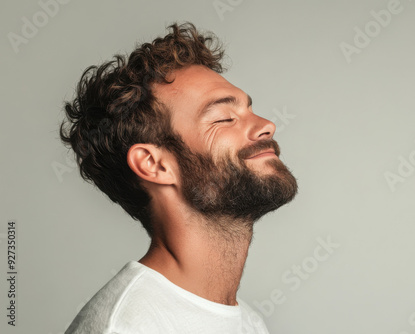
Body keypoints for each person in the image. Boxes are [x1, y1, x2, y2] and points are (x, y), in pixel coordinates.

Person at [60, 22, 298, 334]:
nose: (266, 125)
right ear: (154, 165)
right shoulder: (126, 327)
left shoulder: (250, 323)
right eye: (225, 118)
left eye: (250, 109)